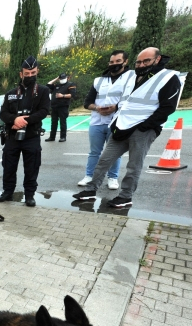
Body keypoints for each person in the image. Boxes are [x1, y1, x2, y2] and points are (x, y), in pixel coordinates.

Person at [73, 47, 181, 208]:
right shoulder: (132, 78)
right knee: (104, 160)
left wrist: (146, 126)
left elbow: (168, 107)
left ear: (157, 59)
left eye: (146, 61)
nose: (141, 64)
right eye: (139, 61)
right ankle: (90, 191)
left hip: (143, 129)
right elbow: (125, 102)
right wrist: (116, 122)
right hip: (122, 126)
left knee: (133, 165)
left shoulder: (168, 77)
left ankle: (125, 196)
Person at [0, 56, 50, 207]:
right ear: (21, 74)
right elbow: (3, 114)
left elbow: (44, 111)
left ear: (37, 71)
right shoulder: (11, 93)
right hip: (12, 136)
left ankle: (30, 195)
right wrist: (14, 120)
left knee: (31, 167)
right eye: (27, 74)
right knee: (9, 165)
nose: (30, 76)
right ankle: (7, 192)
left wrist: (24, 121)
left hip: (31, 136)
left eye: (33, 73)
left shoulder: (43, 91)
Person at [78, 50, 136, 190]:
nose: (114, 64)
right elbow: (87, 103)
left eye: (117, 61)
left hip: (116, 122)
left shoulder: (131, 77)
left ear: (125, 62)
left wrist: (115, 107)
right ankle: (89, 176)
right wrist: (97, 108)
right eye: (111, 62)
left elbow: (132, 99)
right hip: (97, 122)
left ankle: (112, 178)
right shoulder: (99, 80)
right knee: (94, 152)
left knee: (114, 153)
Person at [45, 73, 76, 142]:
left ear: (66, 78)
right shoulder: (57, 85)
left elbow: (72, 95)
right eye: (61, 79)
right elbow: (48, 85)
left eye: (63, 78)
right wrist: (56, 78)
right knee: (53, 122)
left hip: (63, 106)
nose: (62, 80)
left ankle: (63, 137)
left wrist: (63, 96)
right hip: (54, 106)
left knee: (62, 122)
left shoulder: (70, 84)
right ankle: (52, 137)